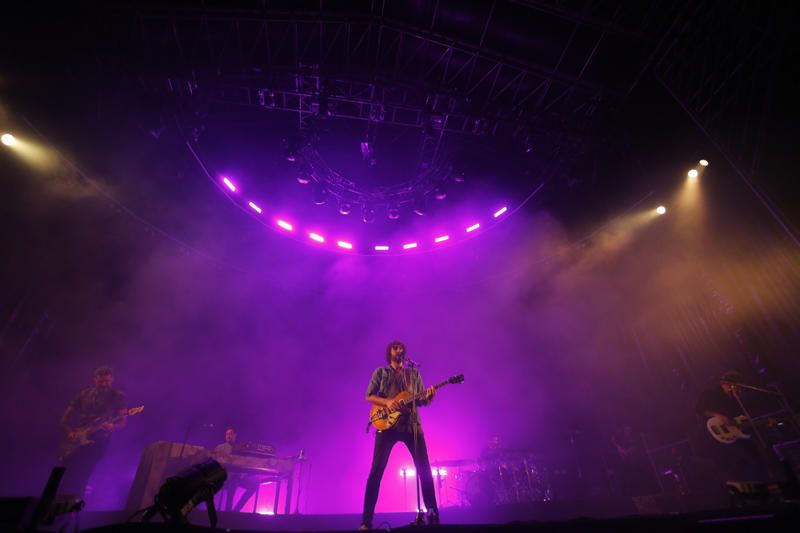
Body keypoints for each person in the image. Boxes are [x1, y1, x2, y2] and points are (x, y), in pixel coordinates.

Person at [361, 341, 438, 530]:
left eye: (401, 348)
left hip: (412, 426)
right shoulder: (381, 373)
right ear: (390, 353)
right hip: (386, 426)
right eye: (395, 348)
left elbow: (420, 402)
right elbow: (369, 396)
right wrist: (387, 402)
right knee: (376, 471)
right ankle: (366, 521)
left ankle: (434, 516)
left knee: (425, 470)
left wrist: (429, 396)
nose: (400, 350)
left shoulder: (413, 374)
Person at [59, 365, 127, 498]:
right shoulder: (83, 394)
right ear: (95, 380)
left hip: (99, 440)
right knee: (67, 474)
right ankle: (61, 504)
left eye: (107, 381)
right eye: (101, 381)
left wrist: (113, 426)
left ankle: (75, 502)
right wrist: (70, 432)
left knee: (83, 472)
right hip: (78, 439)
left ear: (112, 379)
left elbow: (122, 422)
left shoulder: (117, 396)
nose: (104, 384)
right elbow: (64, 419)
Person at [695, 371, 767, 482]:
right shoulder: (710, 393)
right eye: (736, 385)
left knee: (757, 460)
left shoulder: (738, 400)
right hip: (716, 436)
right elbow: (699, 409)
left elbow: (742, 420)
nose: (739, 389)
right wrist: (716, 414)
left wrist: (764, 424)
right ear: (726, 384)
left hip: (737, 435)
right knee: (733, 468)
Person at [212, 427, 260, 512]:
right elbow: (215, 462)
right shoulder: (220, 447)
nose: (228, 436)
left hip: (237, 478)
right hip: (224, 478)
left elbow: (243, 464)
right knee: (232, 482)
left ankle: (236, 510)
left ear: (235, 435)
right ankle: (228, 510)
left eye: (230, 434)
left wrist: (245, 475)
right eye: (227, 434)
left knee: (254, 486)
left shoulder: (240, 448)